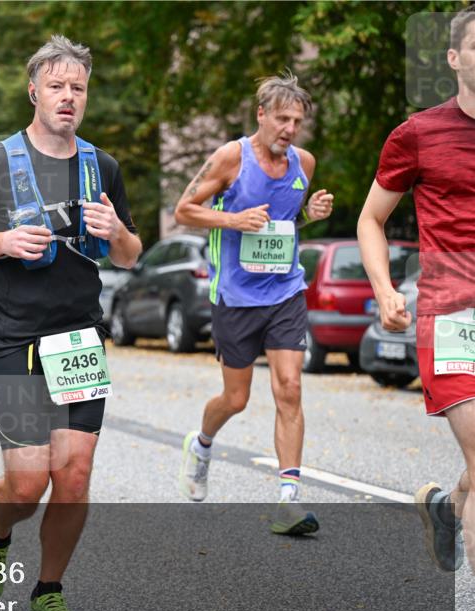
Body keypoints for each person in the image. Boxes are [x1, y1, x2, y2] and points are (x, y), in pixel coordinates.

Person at [0, 35, 142, 611]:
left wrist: (116, 232)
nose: (68, 97)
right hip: (12, 337)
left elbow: (130, 255)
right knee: (27, 483)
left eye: (77, 88)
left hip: (79, 337)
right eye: (56, 86)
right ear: (34, 91)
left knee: (75, 475)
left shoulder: (100, 166)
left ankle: (49, 591)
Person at [173, 73, 334, 534]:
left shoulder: (304, 162)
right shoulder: (231, 157)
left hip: (285, 290)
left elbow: (287, 218)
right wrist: (232, 218)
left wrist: (311, 213)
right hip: (237, 297)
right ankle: (202, 445)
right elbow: (185, 209)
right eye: (281, 118)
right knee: (236, 398)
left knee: (289, 388)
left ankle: (288, 499)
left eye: (297, 121)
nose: (289, 128)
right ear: (261, 115)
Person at [357, 6, 475, 572]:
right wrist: (384, 290)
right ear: (454, 58)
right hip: (452, 316)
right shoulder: (419, 134)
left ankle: (448, 508)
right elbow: (370, 220)